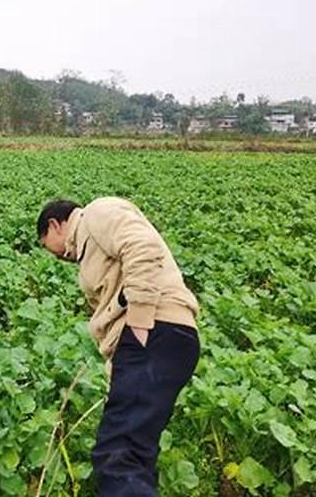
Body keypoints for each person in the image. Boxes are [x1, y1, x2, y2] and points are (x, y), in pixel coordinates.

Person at [37, 197, 200, 497]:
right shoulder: (89, 247)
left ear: (54, 225)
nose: (56, 256)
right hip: (158, 336)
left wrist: (139, 323)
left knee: (118, 455)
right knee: (134, 454)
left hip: (156, 328)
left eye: (47, 245)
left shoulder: (98, 213)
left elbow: (143, 247)